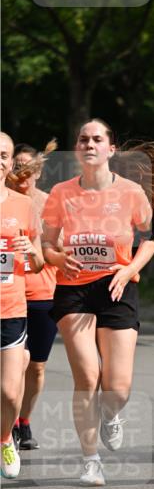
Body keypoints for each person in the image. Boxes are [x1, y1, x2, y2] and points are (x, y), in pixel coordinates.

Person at [41, 119, 154, 486]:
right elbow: (46, 246)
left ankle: (111, 415)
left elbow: (149, 241)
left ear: (111, 149)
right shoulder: (61, 193)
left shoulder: (131, 192)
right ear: (77, 148)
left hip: (117, 286)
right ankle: (90, 459)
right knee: (87, 376)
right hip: (74, 288)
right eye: (83, 139)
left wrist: (129, 269)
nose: (89, 144)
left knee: (118, 386)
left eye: (97, 139)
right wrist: (56, 259)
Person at [0, 132, 44, 479]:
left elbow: (40, 261)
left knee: (10, 392)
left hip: (11, 307)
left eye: (3, 155)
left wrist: (32, 253)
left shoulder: (23, 205)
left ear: (11, 162)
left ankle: (5, 437)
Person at [8, 141, 58, 450]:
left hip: (43, 294)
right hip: (10, 296)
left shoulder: (50, 203)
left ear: (39, 171)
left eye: (30, 166)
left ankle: (24, 422)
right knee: (13, 365)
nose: (24, 172)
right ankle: (8, 422)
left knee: (36, 366)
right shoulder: (5, 201)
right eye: (18, 166)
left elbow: (59, 250)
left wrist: (42, 251)